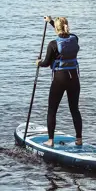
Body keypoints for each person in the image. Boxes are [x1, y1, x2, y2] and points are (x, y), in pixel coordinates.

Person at [37, 16, 82, 147]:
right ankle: (79, 139)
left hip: (60, 79)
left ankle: (50, 140)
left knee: (52, 109)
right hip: (74, 78)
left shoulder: (52, 44)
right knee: (75, 109)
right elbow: (65, 35)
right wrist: (51, 21)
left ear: (56, 28)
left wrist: (38, 63)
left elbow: (46, 63)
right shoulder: (75, 39)